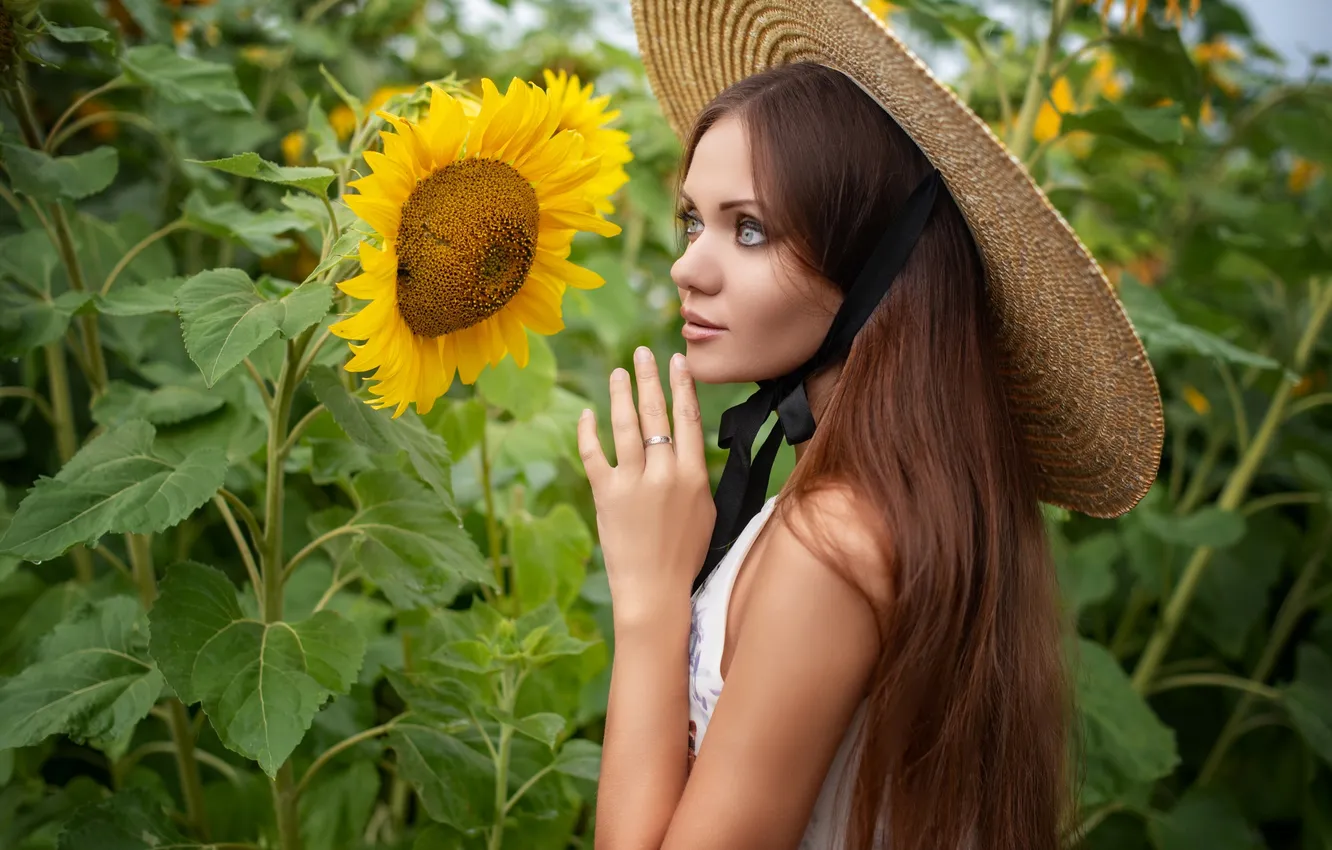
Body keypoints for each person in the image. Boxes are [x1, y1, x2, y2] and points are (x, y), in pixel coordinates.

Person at [575, 3, 1164, 849]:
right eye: (693, 221)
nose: (686, 267)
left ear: (874, 264)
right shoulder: (914, 503)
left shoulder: (834, 542)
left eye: (749, 229)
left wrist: (649, 599)